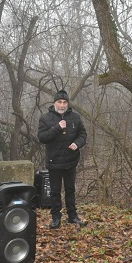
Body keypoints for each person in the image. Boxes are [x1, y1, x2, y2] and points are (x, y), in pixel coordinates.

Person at [38, 89, 88, 229]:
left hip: (71, 161)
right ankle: (56, 218)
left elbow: (83, 134)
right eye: (59, 102)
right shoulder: (45, 118)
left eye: (64, 102)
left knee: (70, 190)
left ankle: (73, 216)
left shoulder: (75, 117)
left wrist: (77, 144)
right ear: (54, 103)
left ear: (67, 103)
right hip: (54, 162)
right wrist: (57, 127)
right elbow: (42, 138)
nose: (62, 105)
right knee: (55, 191)